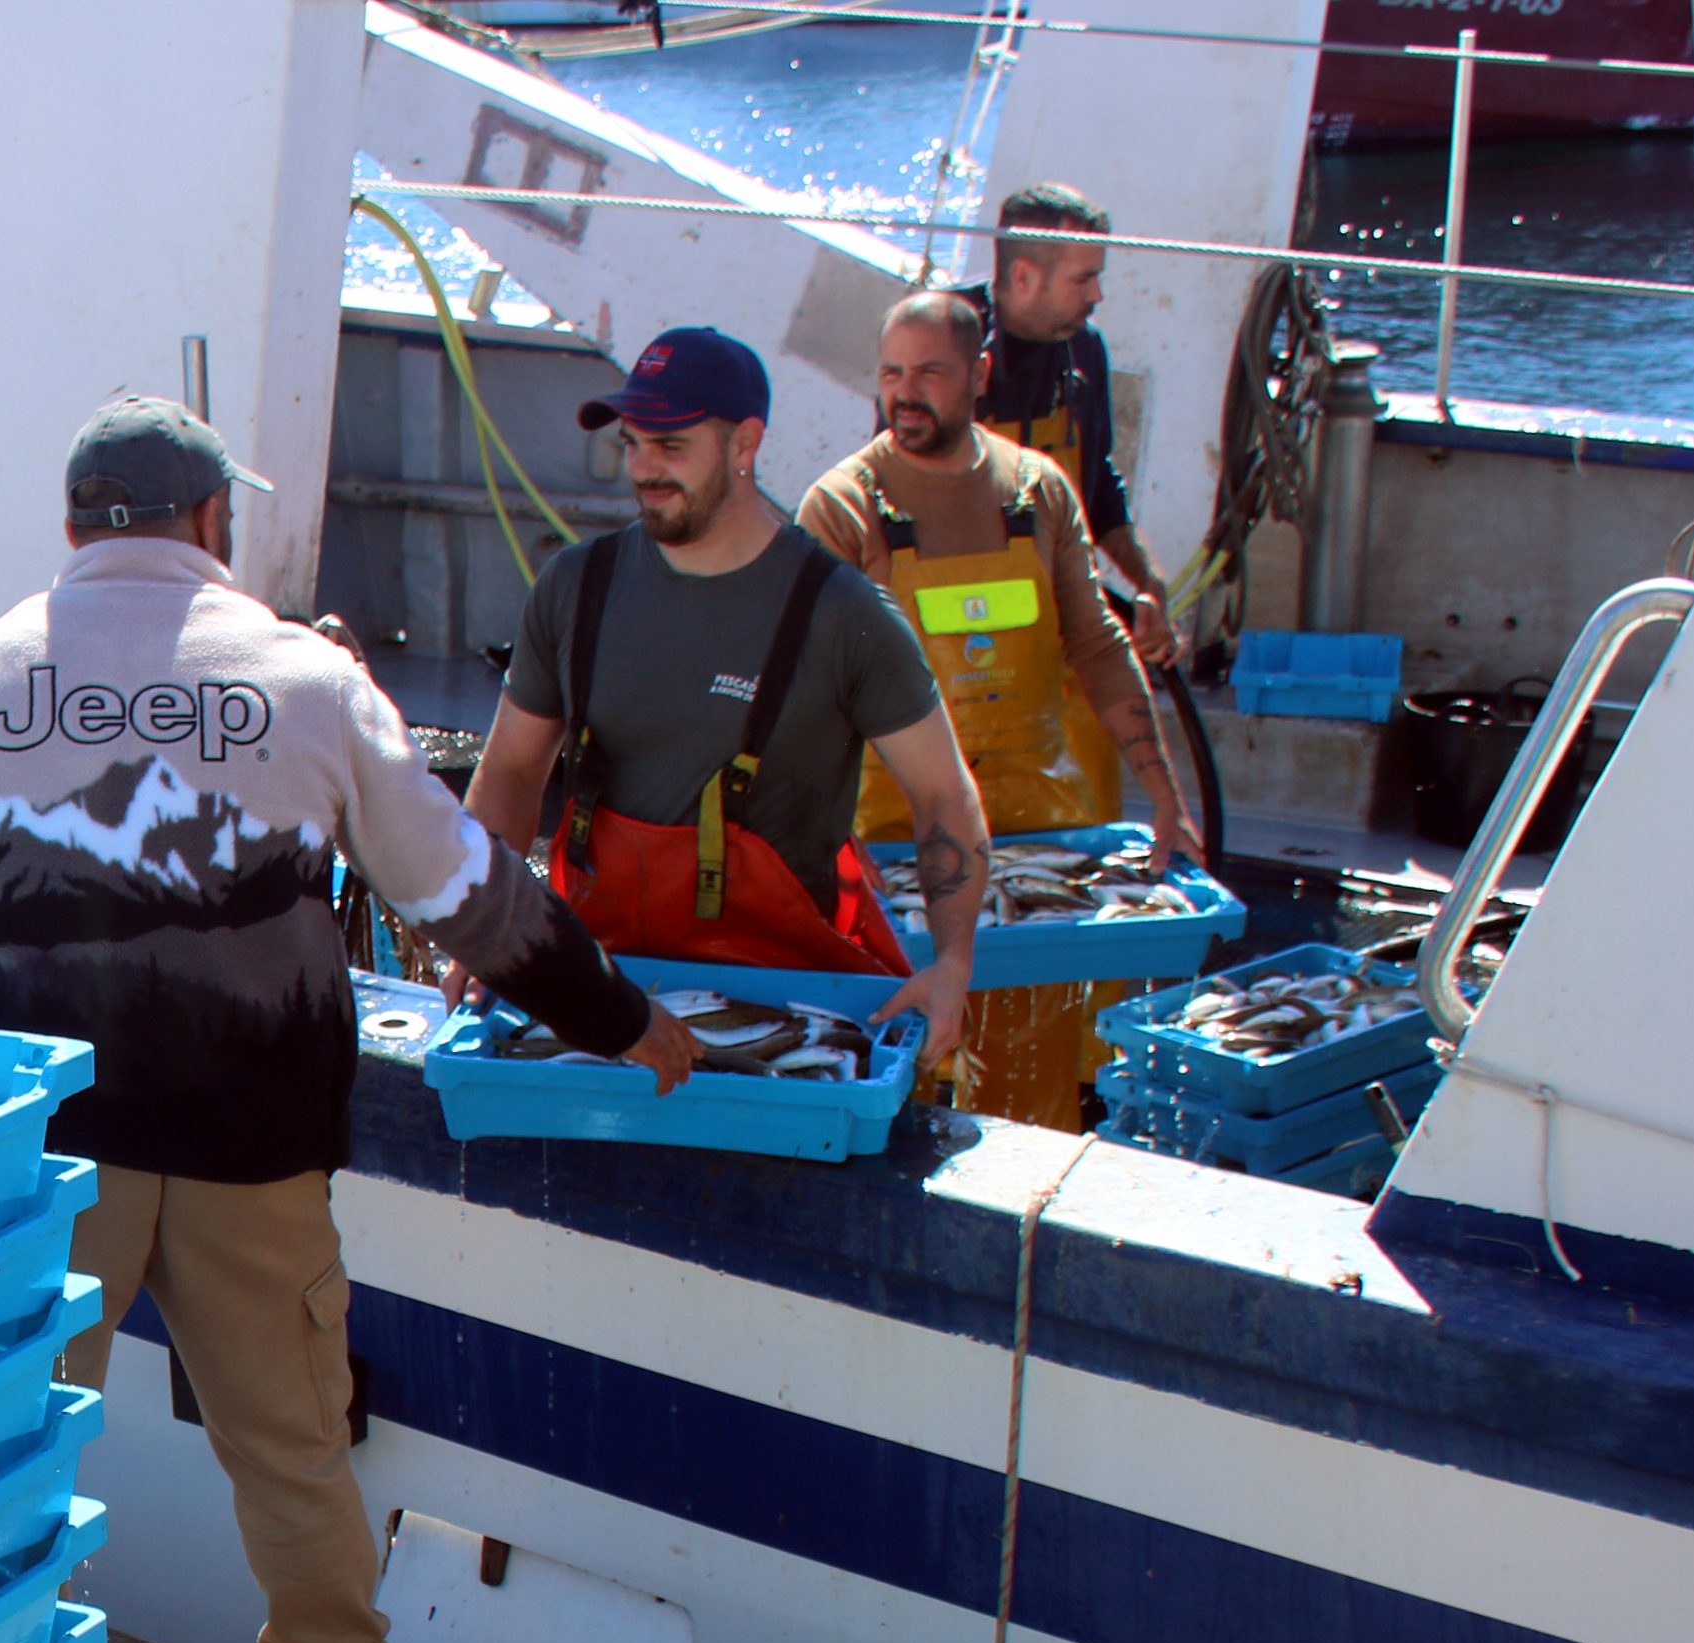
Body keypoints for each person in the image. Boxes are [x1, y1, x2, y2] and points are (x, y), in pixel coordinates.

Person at [0, 394, 681, 1643]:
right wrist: (624, 1021)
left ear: (68, 529)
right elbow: (463, 897)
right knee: (289, 1447)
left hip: (50, 1158)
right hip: (253, 1144)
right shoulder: (306, 681)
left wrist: (18, 1012)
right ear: (212, 525)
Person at [459, 325, 994, 1069]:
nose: (645, 469)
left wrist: (953, 966)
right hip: (603, 990)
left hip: (792, 1004)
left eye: (672, 448)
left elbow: (944, 794)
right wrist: (486, 930)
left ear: (745, 445)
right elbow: (513, 771)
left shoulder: (843, 616)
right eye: (633, 443)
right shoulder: (575, 587)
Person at [803, 291, 1204, 1127]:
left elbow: (1097, 644)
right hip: (895, 833)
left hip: (1041, 840)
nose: (905, 393)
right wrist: (829, 838)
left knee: (1034, 1083)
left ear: (980, 375)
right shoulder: (843, 507)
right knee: (893, 1068)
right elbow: (807, 696)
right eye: (890, 373)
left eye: (930, 373)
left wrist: (1163, 791)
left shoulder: (1039, 491)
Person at [979, 184, 1177, 675]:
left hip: (1064, 618)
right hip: (968, 629)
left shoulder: (1085, 350)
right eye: (1083, 279)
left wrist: (1146, 581)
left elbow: (1097, 484)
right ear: (1023, 276)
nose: (1097, 295)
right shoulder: (943, 342)